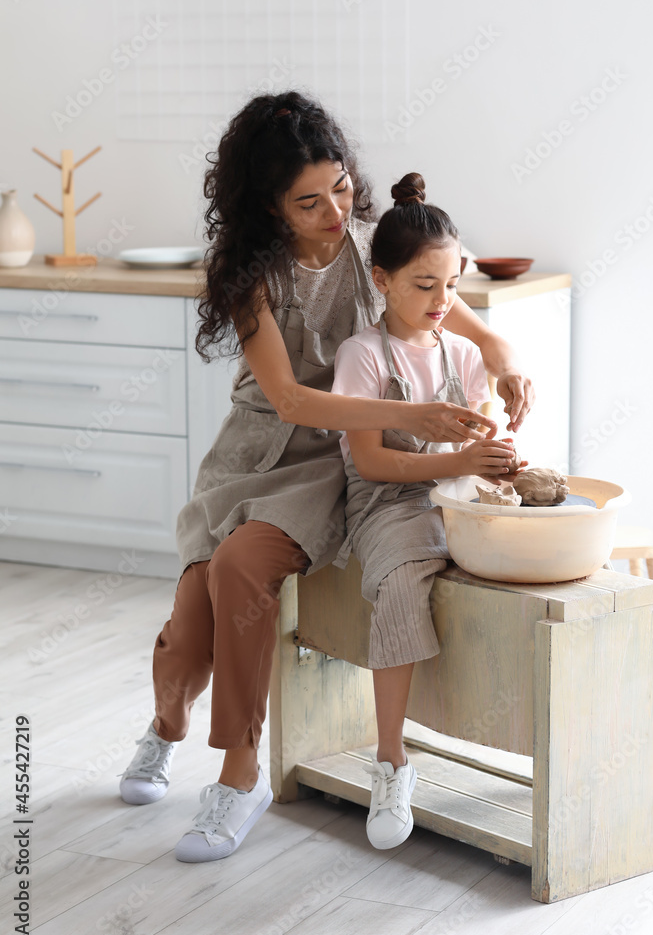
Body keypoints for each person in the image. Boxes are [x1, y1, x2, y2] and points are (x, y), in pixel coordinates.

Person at [118, 91, 534, 863]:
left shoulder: (372, 248)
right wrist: (411, 422)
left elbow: (461, 316)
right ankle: (166, 726)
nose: (334, 211)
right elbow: (285, 398)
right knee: (188, 632)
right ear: (268, 206)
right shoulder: (246, 271)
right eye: (307, 202)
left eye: (340, 188)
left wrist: (504, 359)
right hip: (249, 455)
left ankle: (238, 778)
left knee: (243, 567)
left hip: (325, 465)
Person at [330, 172, 522, 849]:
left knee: (526, 574)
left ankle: (506, 735)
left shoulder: (463, 353)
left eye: (452, 284)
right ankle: (392, 760)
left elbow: (481, 438)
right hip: (389, 502)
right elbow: (373, 464)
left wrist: (500, 456)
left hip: (457, 496)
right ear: (380, 280)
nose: (444, 301)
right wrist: (461, 463)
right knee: (399, 583)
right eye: (424, 286)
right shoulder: (361, 356)